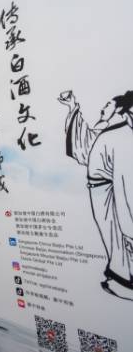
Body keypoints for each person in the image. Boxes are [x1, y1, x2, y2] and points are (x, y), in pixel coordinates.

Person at [60, 90, 133, 300]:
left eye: (108, 106)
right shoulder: (117, 136)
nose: (104, 109)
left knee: (118, 241)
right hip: (106, 192)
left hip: (110, 186)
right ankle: (122, 282)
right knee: (118, 240)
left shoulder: (119, 132)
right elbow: (125, 192)